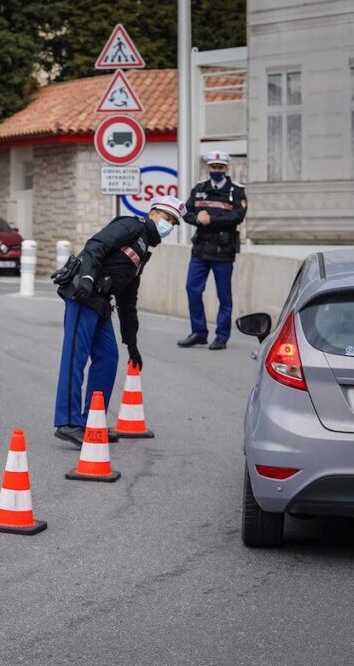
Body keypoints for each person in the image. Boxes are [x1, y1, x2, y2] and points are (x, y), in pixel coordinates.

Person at [52, 196, 186, 446]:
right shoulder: (132, 225)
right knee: (75, 358)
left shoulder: (144, 248)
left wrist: (132, 343)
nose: (168, 224)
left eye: (173, 222)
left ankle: (93, 422)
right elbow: (96, 245)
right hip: (83, 294)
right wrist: (88, 278)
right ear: (153, 213)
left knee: (109, 358)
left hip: (100, 302)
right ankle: (68, 422)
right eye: (166, 218)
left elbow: (128, 299)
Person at [177, 151, 248, 351]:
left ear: (226, 169)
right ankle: (199, 332)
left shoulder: (236, 191)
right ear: (208, 168)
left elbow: (238, 216)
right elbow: (186, 212)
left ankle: (221, 337)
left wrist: (212, 220)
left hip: (223, 252)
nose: (216, 170)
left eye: (220, 167)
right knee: (192, 289)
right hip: (200, 250)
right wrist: (197, 219)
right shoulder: (199, 189)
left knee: (223, 296)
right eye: (213, 167)